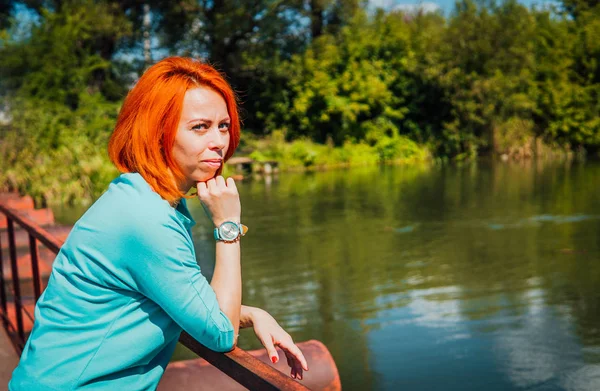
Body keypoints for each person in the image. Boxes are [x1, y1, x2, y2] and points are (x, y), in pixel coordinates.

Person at [9, 57, 308, 390]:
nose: (219, 142)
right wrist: (228, 227)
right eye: (200, 127)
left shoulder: (144, 199)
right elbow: (221, 333)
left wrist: (252, 313)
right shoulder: (145, 219)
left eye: (223, 125)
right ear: (157, 133)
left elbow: (181, 298)